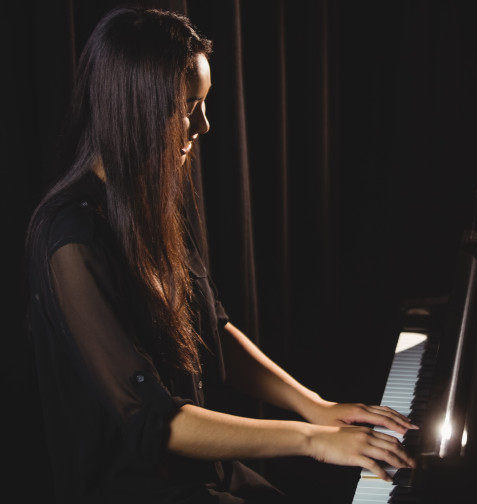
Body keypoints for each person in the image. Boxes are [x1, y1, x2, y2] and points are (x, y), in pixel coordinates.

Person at [25, 6, 416, 503]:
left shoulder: (146, 200)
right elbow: (155, 422)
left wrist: (315, 406)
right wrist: (311, 440)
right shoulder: (70, 238)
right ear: (136, 106)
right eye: (189, 106)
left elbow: (214, 328)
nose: (204, 126)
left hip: (196, 471)